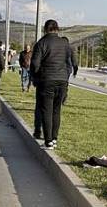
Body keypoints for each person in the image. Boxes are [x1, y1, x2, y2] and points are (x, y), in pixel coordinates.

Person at [30, 19, 77, 149]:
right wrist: (65, 76)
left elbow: (35, 64)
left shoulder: (41, 43)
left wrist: (36, 77)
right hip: (62, 81)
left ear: (45, 29)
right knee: (57, 110)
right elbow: (69, 63)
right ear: (57, 29)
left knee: (46, 111)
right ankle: (54, 138)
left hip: (47, 80)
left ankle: (48, 141)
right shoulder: (65, 43)